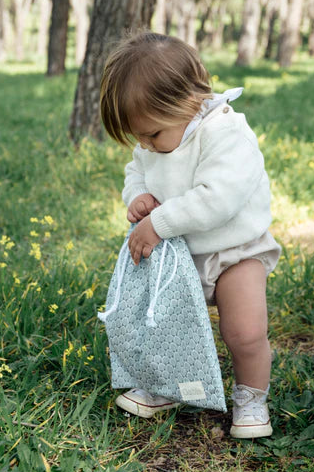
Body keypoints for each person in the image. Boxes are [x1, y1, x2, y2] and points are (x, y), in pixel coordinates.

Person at [99, 31, 281, 439]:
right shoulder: (155, 138)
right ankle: (167, 386)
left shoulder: (226, 134)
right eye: (138, 137)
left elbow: (219, 198)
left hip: (236, 250)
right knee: (163, 325)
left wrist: (158, 224)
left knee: (245, 332)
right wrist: (139, 196)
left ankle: (252, 398)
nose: (144, 144)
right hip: (181, 255)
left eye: (152, 135)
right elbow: (137, 171)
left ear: (189, 102)